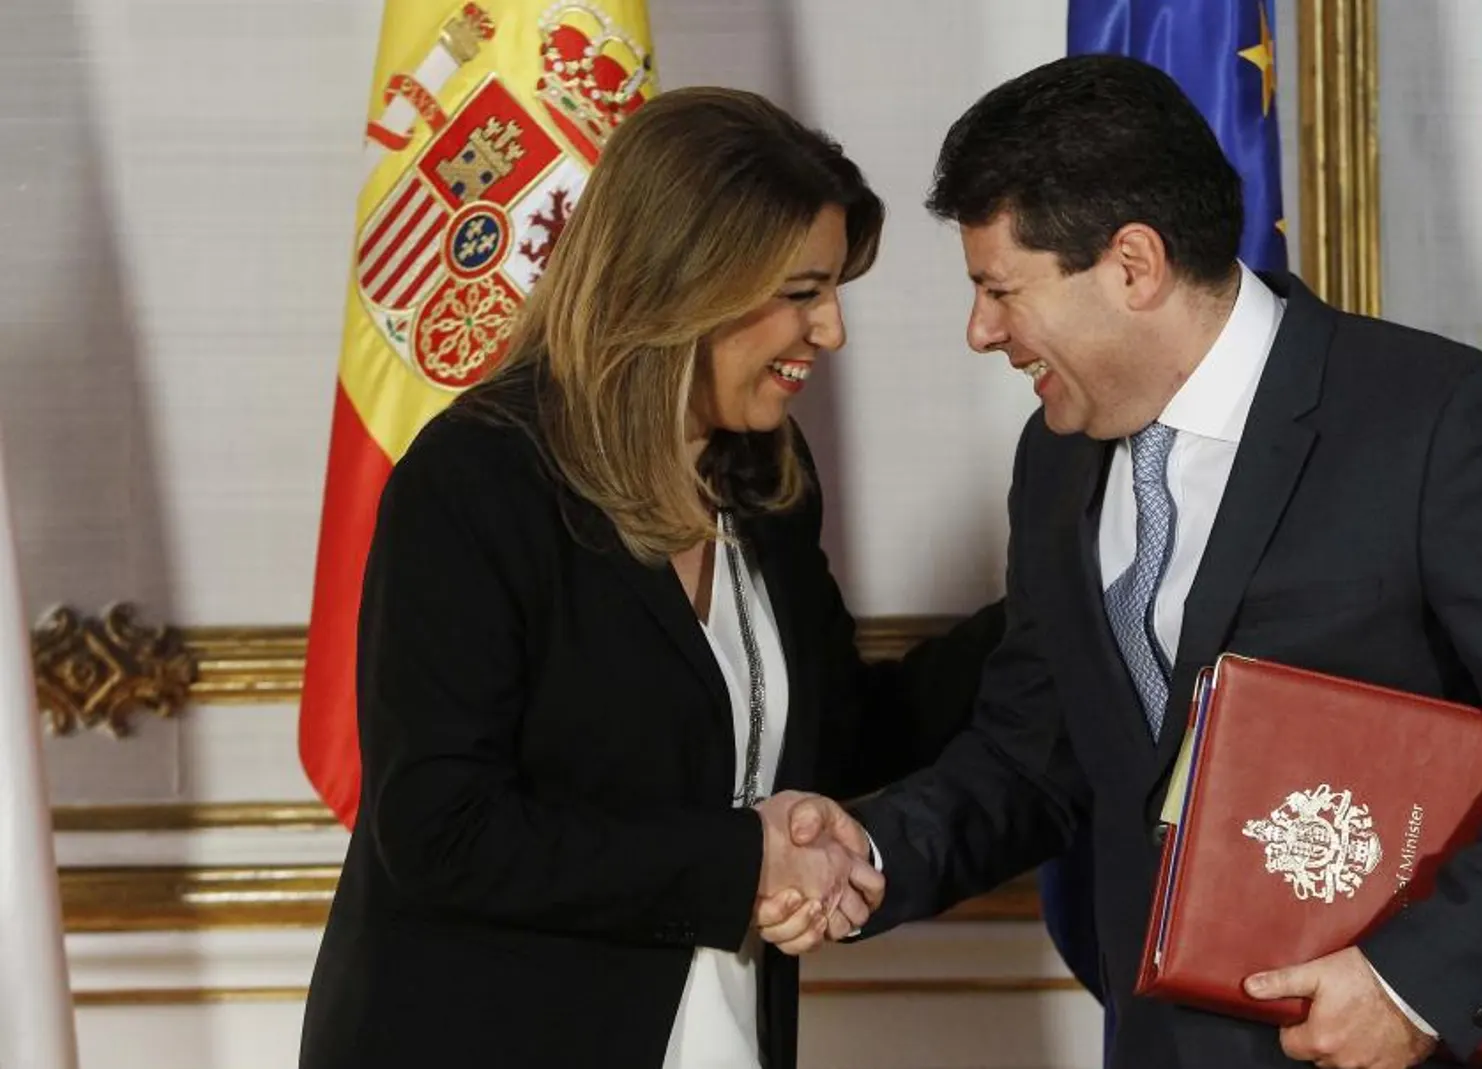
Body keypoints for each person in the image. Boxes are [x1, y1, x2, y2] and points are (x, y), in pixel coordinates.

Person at [765, 55, 1482, 1069]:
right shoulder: (1054, 459)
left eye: (998, 289)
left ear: (1132, 263)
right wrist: (872, 852)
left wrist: (1411, 982)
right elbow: (1038, 752)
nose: (981, 331)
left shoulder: (1435, 422)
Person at [298, 87, 1004, 1069]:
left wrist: (1054, 609)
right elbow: (441, 831)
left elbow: (834, 733)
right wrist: (741, 858)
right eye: (802, 293)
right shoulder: (478, 480)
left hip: (722, 1032)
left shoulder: (764, 479)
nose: (830, 332)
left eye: (831, 291)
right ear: (684, 283)